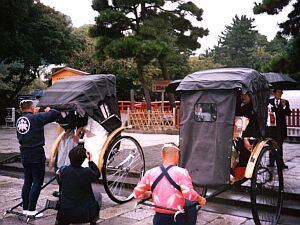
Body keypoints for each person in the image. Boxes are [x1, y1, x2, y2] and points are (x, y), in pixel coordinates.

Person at [133, 143, 206, 225]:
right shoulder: (182, 172)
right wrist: (200, 199)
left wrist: (149, 193)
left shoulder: (150, 172)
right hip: (176, 219)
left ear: (162, 155)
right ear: (177, 155)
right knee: (190, 204)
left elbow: (136, 193)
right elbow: (188, 193)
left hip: (158, 219)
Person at [16, 100, 61, 217]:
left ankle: (25, 208)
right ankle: (32, 210)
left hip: (24, 152)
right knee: (37, 182)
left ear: (21, 109)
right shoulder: (37, 118)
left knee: (28, 181)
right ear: (31, 108)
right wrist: (48, 110)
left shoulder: (19, 120)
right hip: (36, 153)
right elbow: (56, 113)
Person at [56, 146, 102, 225]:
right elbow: (97, 174)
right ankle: (93, 220)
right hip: (84, 213)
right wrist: (90, 161)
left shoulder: (63, 170)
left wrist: (58, 176)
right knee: (98, 195)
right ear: (84, 159)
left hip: (65, 212)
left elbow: (60, 182)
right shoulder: (87, 172)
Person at [233, 93, 261, 182]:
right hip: (237, 134)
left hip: (249, 136)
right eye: (241, 95)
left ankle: (240, 176)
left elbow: (253, 125)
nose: (243, 97)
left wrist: (245, 138)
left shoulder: (253, 108)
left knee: (244, 154)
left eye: (246, 95)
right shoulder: (240, 107)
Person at [268, 89, 291, 169]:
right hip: (272, 127)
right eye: (278, 92)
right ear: (274, 93)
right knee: (272, 144)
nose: (280, 94)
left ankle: (280, 163)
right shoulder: (269, 101)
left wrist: (284, 107)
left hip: (281, 128)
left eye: (281, 92)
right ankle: (271, 162)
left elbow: (288, 113)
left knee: (279, 146)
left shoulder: (285, 102)